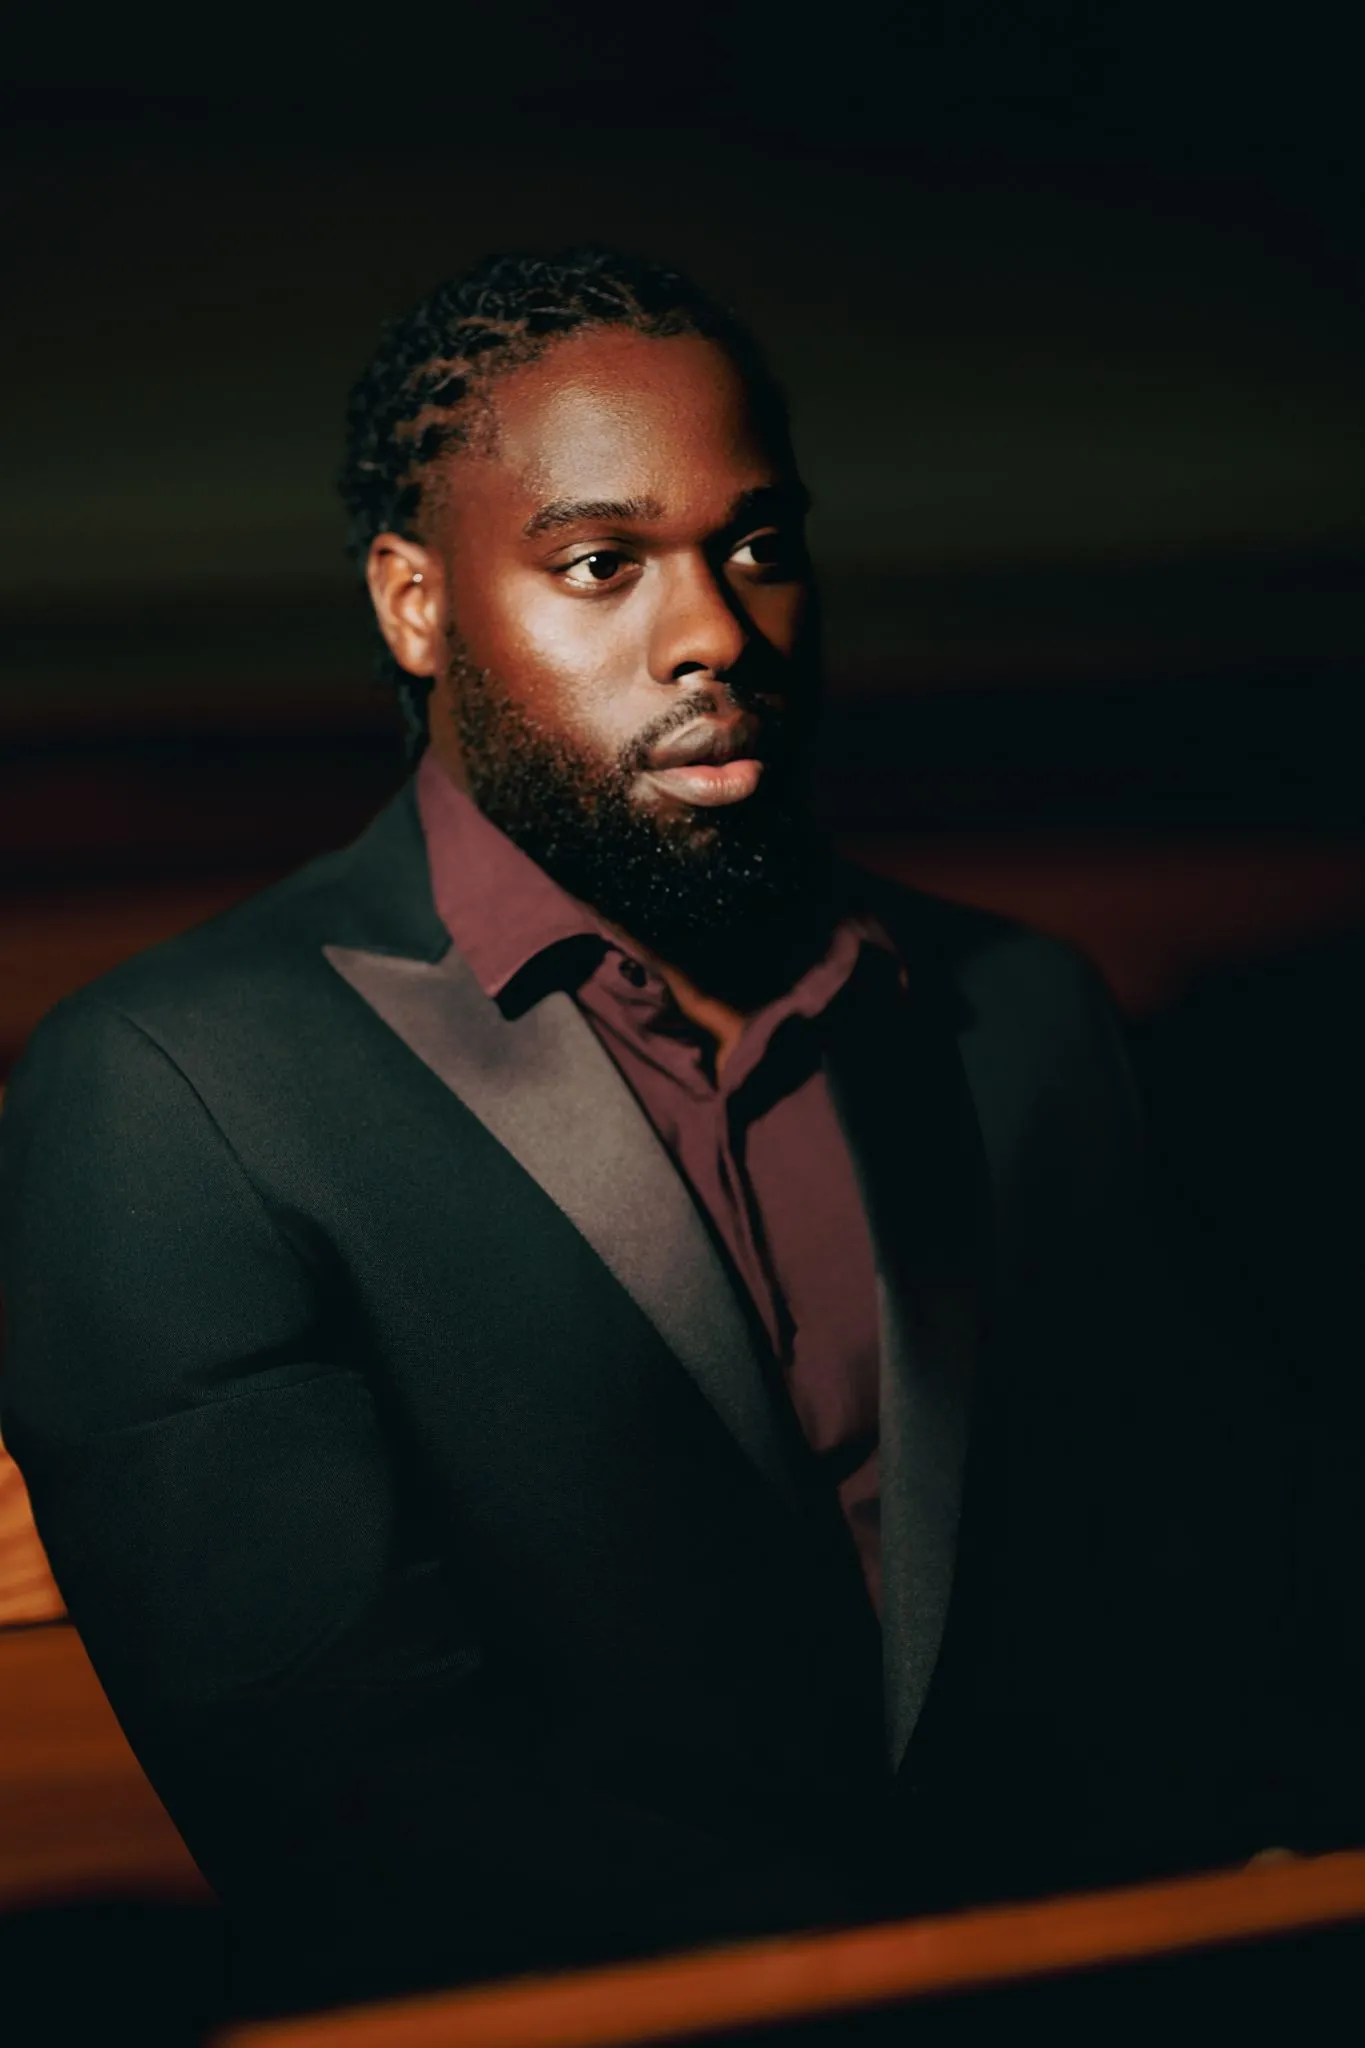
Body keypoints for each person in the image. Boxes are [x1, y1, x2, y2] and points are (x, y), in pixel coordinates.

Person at [0, 248, 1282, 2016]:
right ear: (415, 603)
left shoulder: (1024, 1017)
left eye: (756, 546)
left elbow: (1182, 1601)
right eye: (601, 564)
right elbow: (362, 1819)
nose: (715, 636)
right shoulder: (166, 1094)